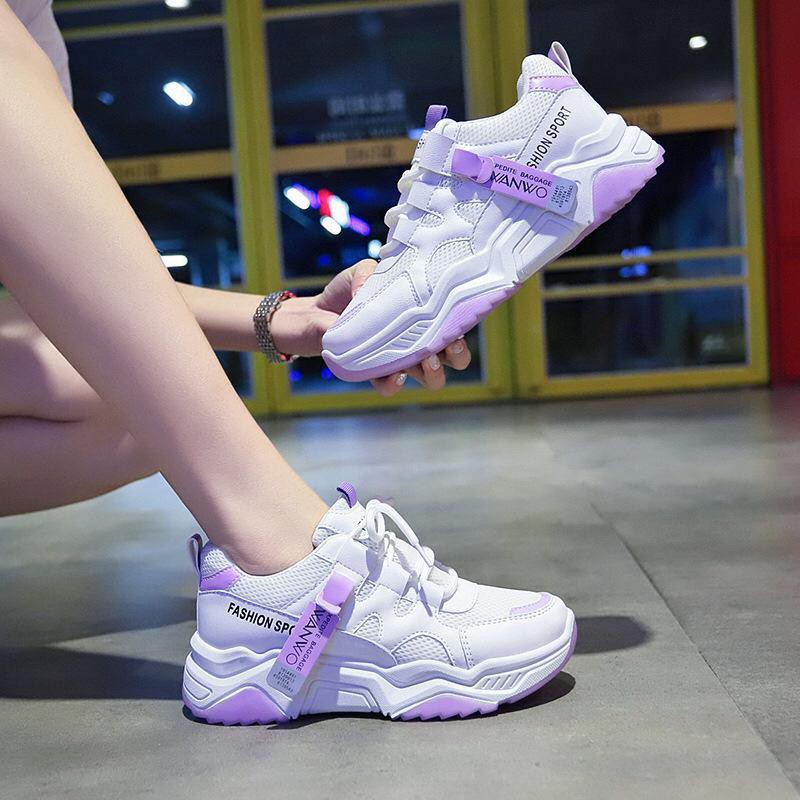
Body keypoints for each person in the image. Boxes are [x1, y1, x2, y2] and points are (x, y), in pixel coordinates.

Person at [0, 0, 472, 571]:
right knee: (136, 388)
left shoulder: (30, 26)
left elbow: (70, 282)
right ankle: (286, 557)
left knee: (139, 400)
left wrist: (288, 318)